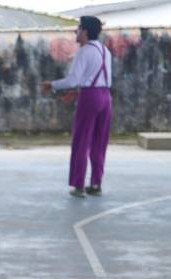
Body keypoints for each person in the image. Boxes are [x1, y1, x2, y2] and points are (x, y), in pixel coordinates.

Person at [42, 16, 112, 198]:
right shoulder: (105, 50)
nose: (76, 31)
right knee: (99, 143)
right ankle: (96, 184)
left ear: (85, 31)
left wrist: (52, 85)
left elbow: (73, 80)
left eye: (78, 28)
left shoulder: (84, 51)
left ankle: (79, 185)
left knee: (81, 141)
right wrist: (79, 91)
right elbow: (96, 79)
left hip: (90, 98)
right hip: (106, 97)